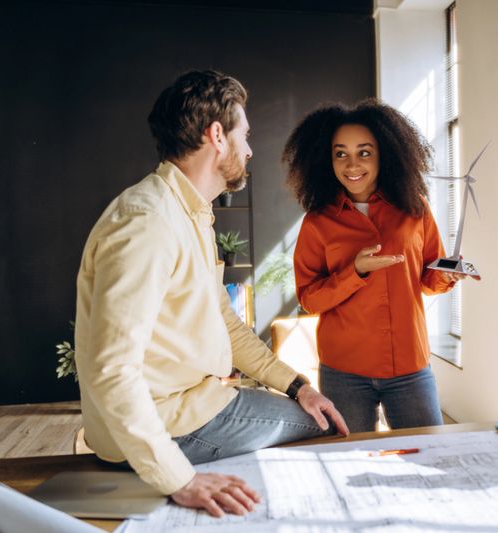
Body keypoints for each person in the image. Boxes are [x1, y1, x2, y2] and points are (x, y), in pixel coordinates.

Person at [74, 70, 349, 518]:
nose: (250, 149)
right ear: (217, 135)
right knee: (323, 431)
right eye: (245, 134)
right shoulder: (148, 222)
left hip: (192, 406)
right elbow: (112, 368)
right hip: (171, 423)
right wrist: (179, 479)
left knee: (313, 412)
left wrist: (299, 386)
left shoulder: (189, 214)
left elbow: (226, 324)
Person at [283, 99, 464, 433]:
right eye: (341, 153)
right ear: (327, 158)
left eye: (364, 152)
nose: (352, 164)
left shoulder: (414, 208)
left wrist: (448, 275)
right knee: (349, 464)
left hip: (410, 366)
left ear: (386, 154)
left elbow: (429, 278)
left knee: (432, 455)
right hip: (345, 371)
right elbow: (310, 299)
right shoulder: (318, 222)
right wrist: (356, 271)